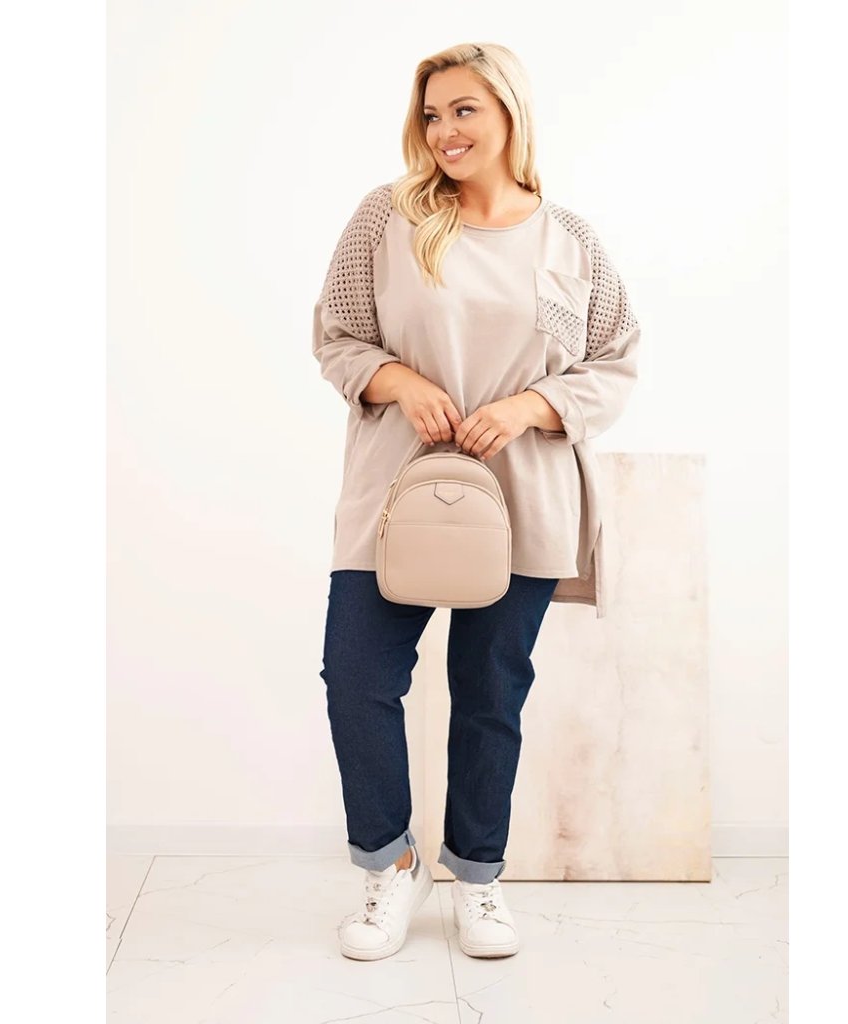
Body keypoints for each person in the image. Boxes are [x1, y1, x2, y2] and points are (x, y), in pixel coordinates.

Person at [312, 42, 641, 962]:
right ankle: (391, 864)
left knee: (491, 694)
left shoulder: (570, 242)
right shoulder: (389, 217)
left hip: (524, 498)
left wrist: (532, 405)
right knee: (356, 677)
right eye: (431, 114)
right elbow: (337, 335)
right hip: (396, 495)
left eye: (464, 110)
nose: (444, 131)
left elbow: (616, 361)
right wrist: (397, 381)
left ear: (509, 113)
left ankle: (479, 878)